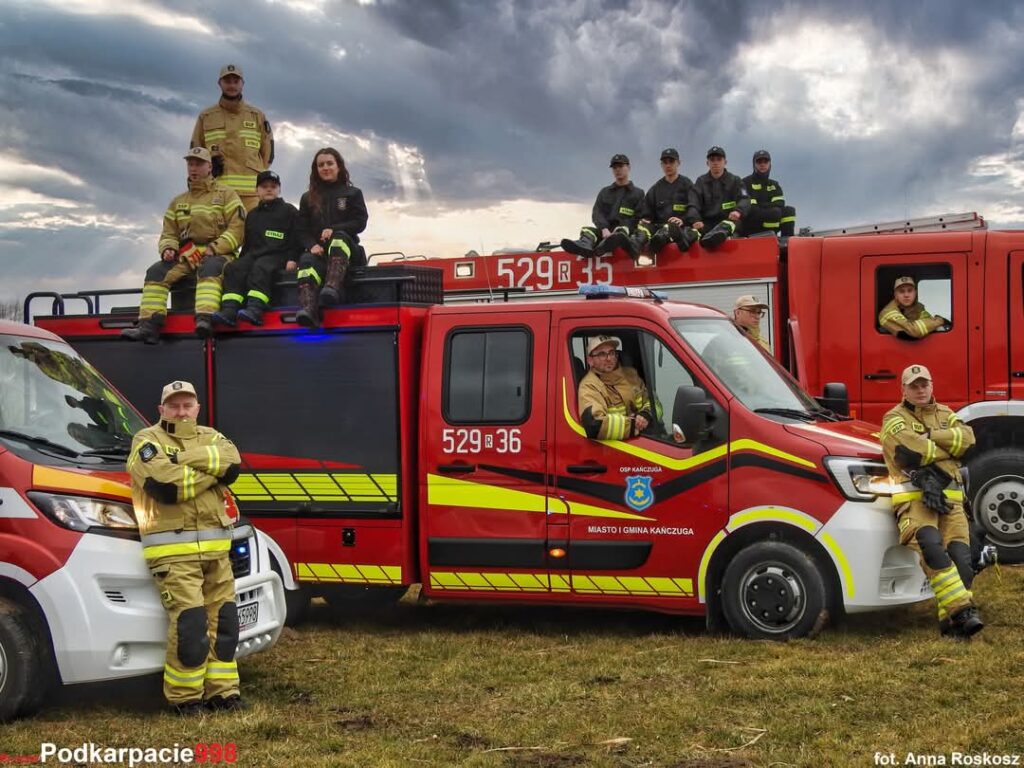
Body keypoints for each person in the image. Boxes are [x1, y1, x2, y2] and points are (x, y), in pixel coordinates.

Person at [127, 381, 246, 713]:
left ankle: (224, 694)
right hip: (172, 554)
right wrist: (213, 471)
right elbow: (167, 486)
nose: (181, 411)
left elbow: (233, 463)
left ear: (197, 408)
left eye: (187, 405)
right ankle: (185, 700)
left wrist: (182, 458)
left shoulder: (211, 435)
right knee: (191, 626)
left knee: (224, 624)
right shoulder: (145, 441)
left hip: (216, 550)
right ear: (161, 409)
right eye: (174, 405)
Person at [880, 364, 983, 638]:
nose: (920, 389)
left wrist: (930, 437)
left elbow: (970, 441)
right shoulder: (894, 418)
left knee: (962, 557)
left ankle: (952, 624)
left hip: (951, 499)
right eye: (913, 385)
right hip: (914, 499)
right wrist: (948, 450)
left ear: (932, 385)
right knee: (931, 547)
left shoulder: (946, 414)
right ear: (903, 389)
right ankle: (963, 610)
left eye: (924, 384)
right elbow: (908, 452)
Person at [121, 148, 245, 344]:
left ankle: (205, 320)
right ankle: (149, 327)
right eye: (190, 164)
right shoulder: (178, 202)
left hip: (220, 255)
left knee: (210, 268)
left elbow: (238, 229)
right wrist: (168, 248)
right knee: (156, 272)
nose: (193, 168)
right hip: (187, 255)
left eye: (199, 164)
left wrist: (215, 248)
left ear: (209, 167)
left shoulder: (226, 195)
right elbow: (169, 232)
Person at [214, 170, 301, 327]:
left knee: (261, 268)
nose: (269, 189)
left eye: (273, 186)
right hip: (255, 255)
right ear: (257, 190)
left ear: (279, 189)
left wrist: (293, 259)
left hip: (279, 256)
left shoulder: (290, 211)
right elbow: (248, 244)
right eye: (264, 186)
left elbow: (298, 238)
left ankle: (255, 309)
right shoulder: (252, 215)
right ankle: (230, 310)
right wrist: (243, 260)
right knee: (235, 268)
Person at [295, 147, 369, 329]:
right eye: (321, 165)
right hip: (320, 253)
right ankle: (309, 310)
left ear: (339, 166)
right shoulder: (307, 198)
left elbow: (360, 222)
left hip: (348, 253)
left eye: (329, 163)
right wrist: (311, 245)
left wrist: (334, 229)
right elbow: (301, 230)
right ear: (316, 170)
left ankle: (332, 288)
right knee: (305, 262)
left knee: (339, 238)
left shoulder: (353, 193)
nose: (325, 168)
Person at [191, 64, 274, 212]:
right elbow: (196, 152)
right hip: (217, 192)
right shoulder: (206, 116)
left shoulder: (257, 116)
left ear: (243, 84)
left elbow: (267, 155)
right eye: (227, 81)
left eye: (236, 81)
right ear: (219, 83)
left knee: (252, 234)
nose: (232, 85)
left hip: (251, 196)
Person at [561, 154, 645, 262]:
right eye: (614, 168)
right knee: (588, 231)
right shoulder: (605, 192)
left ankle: (603, 246)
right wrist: (604, 228)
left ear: (628, 167)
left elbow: (637, 217)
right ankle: (585, 247)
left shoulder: (638, 193)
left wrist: (622, 228)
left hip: (624, 234)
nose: (617, 170)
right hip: (604, 232)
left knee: (620, 233)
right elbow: (597, 213)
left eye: (620, 166)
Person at [631, 148, 699, 267]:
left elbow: (694, 206)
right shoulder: (655, 188)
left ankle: (652, 248)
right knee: (643, 230)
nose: (668, 165)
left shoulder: (687, 184)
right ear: (661, 165)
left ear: (678, 163)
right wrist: (645, 220)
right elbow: (647, 212)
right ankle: (635, 247)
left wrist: (683, 220)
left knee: (671, 230)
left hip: (681, 228)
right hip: (659, 227)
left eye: (671, 162)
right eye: (665, 162)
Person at [577, 336, 655, 440]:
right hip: (616, 450)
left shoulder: (631, 374)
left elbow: (654, 403)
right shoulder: (589, 386)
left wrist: (646, 414)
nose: (609, 358)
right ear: (590, 360)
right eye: (602, 354)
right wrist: (634, 424)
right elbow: (595, 425)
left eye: (611, 353)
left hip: (649, 440)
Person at [688, 146, 750, 250]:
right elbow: (693, 204)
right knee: (690, 232)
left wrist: (738, 211)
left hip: (729, 221)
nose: (715, 162)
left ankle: (715, 238)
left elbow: (745, 199)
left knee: (733, 225)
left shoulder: (735, 180)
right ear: (707, 163)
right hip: (707, 224)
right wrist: (695, 220)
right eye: (712, 160)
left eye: (719, 159)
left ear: (725, 162)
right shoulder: (700, 182)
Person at [741, 150, 796, 238]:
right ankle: (766, 237)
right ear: (754, 164)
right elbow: (752, 209)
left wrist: (762, 205)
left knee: (790, 210)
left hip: (772, 219)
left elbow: (780, 204)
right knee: (775, 212)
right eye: (759, 162)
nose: (762, 164)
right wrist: (771, 207)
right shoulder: (746, 182)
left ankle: (786, 241)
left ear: (770, 164)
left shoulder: (774, 184)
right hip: (751, 227)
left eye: (765, 161)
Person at [878, 276, 947, 338]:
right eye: (901, 291)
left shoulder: (918, 308)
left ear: (915, 293)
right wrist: (940, 321)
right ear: (895, 295)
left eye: (910, 290)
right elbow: (912, 331)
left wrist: (935, 325)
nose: (906, 295)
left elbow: (928, 321)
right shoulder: (888, 311)